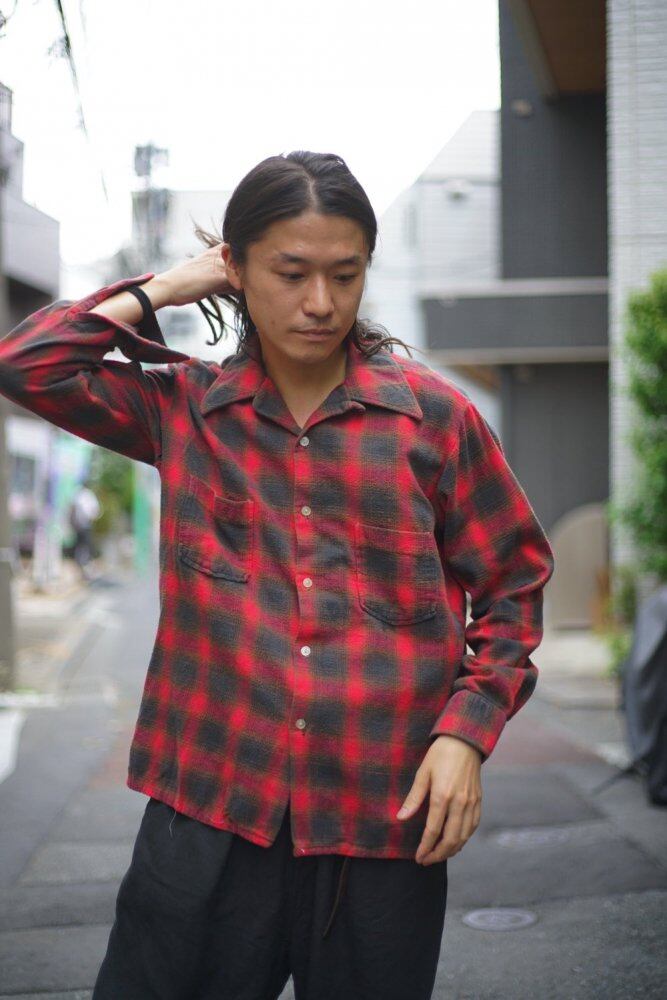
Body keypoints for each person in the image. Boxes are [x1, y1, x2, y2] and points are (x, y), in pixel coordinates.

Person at [0, 151, 555, 1000]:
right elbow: (26, 363)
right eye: (291, 273)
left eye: (345, 274)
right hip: (208, 808)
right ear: (236, 267)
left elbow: (513, 584)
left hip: (382, 816)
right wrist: (165, 288)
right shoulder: (184, 410)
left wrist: (465, 732)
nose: (321, 302)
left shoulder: (433, 422)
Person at [68, 478, 101, 580]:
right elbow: (95, 511)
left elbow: (72, 509)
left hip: (81, 525)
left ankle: (83, 568)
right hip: (84, 525)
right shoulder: (86, 495)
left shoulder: (79, 494)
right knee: (84, 546)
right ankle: (83, 568)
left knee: (82, 546)